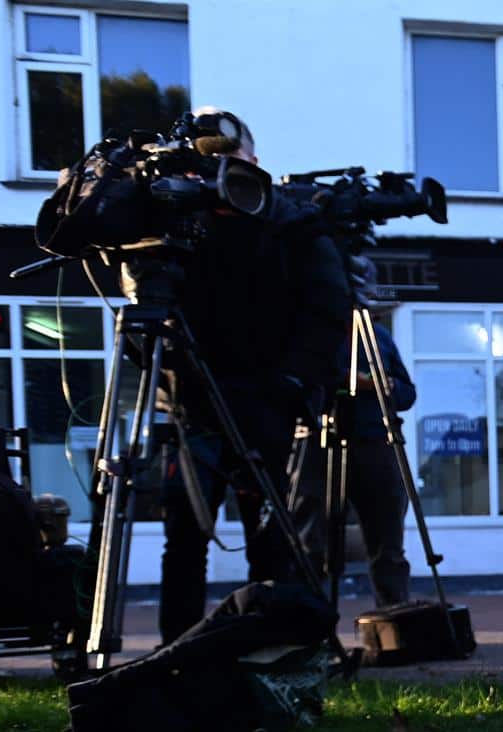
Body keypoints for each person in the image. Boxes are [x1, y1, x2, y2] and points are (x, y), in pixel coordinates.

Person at [154, 108, 350, 644]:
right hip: (192, 406)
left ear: (255, 163)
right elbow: (146, 316)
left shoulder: (290, 222)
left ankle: (269, 651)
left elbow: (329, 308)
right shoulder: (171, 224)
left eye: (227, 156)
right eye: (204, 156)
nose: (216, 168)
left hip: (264, 405)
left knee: (271, 539)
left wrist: (291, 384)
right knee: (185, 538)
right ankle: (179, 655)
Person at [287, 318, 416, 607]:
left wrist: (389, 386)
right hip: (320, 440)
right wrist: (347, 380)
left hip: (375, 442)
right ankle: (308, 625)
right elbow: (298, 383)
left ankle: (393, 618)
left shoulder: (377, 337)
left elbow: (408, 393)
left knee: (387, 540)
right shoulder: (312, 331)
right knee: (311, 541)